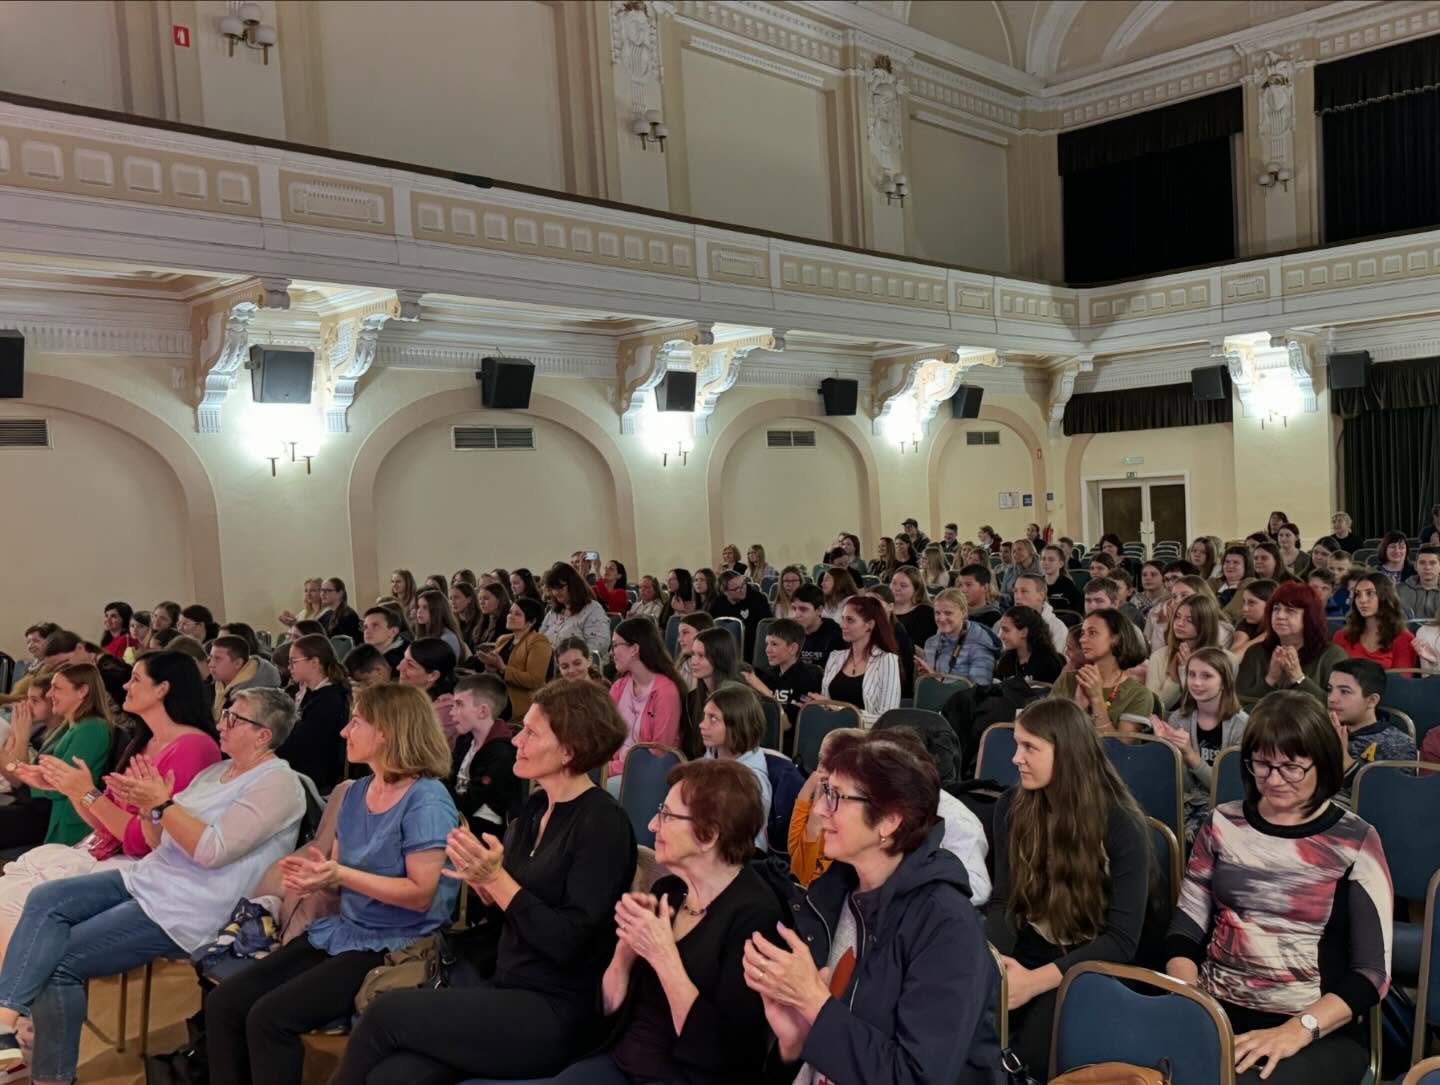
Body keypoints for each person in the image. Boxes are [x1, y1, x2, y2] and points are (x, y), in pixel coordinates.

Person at [329, 679, 635, 1085]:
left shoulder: (603, 824)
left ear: (568, 750)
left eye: (531, 733)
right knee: (394, 1075)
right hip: (504, 985)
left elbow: (567, 943)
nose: (517, 741)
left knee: (385, 1014)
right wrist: (484, 886)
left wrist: (497, 881)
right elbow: (513, 913)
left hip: (555, 1008)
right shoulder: (536, 808)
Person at [0, 687, 305, 1083]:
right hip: (150, 878)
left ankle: (52, 1078)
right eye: (225, 713)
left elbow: (212, 851)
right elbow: (158, 841)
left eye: (234, 718)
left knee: (59, 963)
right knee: (46, 898)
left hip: (190, 906)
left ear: (263, 735)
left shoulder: (278, 784)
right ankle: (5, 1021)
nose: (222, 723)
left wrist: (162, 804)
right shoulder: (215, 773)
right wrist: (149, 809)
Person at [206, 684, 459, 1085]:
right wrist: (316, 878)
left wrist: (338, 876)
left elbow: (420, 896)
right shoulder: (356, 792)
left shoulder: (427, 800)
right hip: (346, 930)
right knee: (224, 1003)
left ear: (387, 732)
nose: (344, 731)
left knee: (269, 1018)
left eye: (356, 722)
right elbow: (338, 875)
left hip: (395, 943)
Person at [745, 730, 1002, 1085]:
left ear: (889, 820)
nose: (818, 809)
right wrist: (792, 1046)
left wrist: (813, 1002)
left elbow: (916, 1078)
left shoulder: (946, 925)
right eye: (824, 791)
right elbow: (821, 1050)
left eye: (836, 797)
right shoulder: (831, 895)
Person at [1164, 692, 1392, 1085]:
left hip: (1313, 1024)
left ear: (1322, 761)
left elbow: (1372, 974)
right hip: (1215, 1008)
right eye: (1262, 765)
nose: (1273, 780)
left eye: (1291, 767)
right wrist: (1189, 999)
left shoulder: (1355, 839)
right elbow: (1185, 930)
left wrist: (1296, 1030)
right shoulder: (1222, 823)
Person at [553, 759, 780, 1084]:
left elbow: (726, 1053)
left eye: (667, 815)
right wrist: (624, 954)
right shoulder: (668, 892)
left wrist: (663, 957)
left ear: (708, 835)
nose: (651, 825)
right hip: (618, 1063)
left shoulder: (755, 916)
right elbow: (605, 1012)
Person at [0, 656, 219, 954]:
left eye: (136, 679)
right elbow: (104, 824)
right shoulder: (145, 741)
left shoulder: (194, 747)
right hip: (107, 851)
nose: (126, 685)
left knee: (18, 906)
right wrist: (71, 789)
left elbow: (143, 840)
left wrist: (87, 793)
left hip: (143, 870)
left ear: (162, 689)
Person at [986, 698, 1151, 1075]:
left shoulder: (1122, 824)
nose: (1015, 758)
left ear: (1066, 753)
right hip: (1030, 946)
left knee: (1030, 1052)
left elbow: (1121, 941)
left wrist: (1033, 983)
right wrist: (992, 963)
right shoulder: (1011, 805)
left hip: (1089, 961)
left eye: (1030, 747)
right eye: (1017, 744)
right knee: (970, 1025)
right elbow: (1005, 901)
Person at [0, 663, 112, 852]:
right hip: (47, 808)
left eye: (57, 688)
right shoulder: (73, 726)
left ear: (82, 691)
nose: (51, 694)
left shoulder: (91, 729)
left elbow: (59, 785)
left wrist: (18, 752)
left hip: (64, 819)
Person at [1149, 647, 1249, 841]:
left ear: (1224, 681)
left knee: (1197, 835)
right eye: (1191, 674)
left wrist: (1189, 754)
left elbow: (1226, 790)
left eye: (1206, 676)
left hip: (1224, 807)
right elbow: (1183, 788)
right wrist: (1166, 748)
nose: (1196, 682)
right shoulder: (1178, 719)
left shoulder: (1241, 726)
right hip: (1184, 804)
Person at [1236, 581, 1348, 705]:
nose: (1280, 616)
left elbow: (1338, 705)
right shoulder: (1256, 652)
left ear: (1309, 617)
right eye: (1276, 609)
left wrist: (1299, 678)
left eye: (1290, 610)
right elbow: (1238, 702)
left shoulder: (1332, 655)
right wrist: (1270, 679)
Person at [1049, 610, 1152, 733]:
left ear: (1116, 639)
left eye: (1092, 633)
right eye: (1082, 633)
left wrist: (1096, 699)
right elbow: (1046, 730)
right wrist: (1079, 708)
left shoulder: (1139, 695)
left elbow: (1119, 745)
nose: (1082, 639)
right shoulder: (1068, 679)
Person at [1326, 660, 1416, 800]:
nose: (1331, 698)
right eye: (1329, 689)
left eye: (1344, 691)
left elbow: (1390, 801)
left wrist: (1343, 759)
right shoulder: (1319, 730)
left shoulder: (1397, 744)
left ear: (1372, 700)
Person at [607, 618, 685, 781]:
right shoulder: (619, 687)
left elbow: (659, 752)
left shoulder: (666, 692)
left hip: (646, 775)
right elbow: (604, 734)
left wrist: (610, 769)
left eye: (615, 645)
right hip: (614, 770)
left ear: (634, 649)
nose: (611, 652)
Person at [447, 674, 523, 835]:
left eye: (459, 704)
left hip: (485, 835)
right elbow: (449, 777)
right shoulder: (465, 740)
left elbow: (471, 804)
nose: (452, 712)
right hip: (458, 820)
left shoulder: (502, 754)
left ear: (483, 711)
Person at [698, 686, 771, 847]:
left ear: (737, 724)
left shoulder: (752, 781)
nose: (702, 725)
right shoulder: (707, 760)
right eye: (705, 716)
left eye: (713, 718)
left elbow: (738, 843)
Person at [814, 595, 901, 725]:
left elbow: (888, 719)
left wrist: (838, 709)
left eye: (850, 620)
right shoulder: (835, 657)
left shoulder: (887, 660)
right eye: (842, 619)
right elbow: (826, 705)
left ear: (869, 625)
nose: (842, 625)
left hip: (868, 736)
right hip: (833, 732)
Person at [283, 633, 352, 792]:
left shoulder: (330, 700)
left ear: (314, 662)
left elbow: (302, 746)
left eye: (293, 661)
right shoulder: (299, 691)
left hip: (315, 780)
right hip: (297, 769)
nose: (289, 667)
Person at [1144, 593, 1230, 712]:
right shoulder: (1160, 656)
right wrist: (1174, 681)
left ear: (1205, 624)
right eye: (1177, 617)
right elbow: (1152, 707)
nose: (1179, 623)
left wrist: (1184, 671)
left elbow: (1207, 707)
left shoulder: (1223, 658)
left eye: (1189, 620)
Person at [473, 597, 553, 720]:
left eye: (517, 614)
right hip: (497, 691)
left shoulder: (539, 642)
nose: (510, 616)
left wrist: (503, 668)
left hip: (519, 700)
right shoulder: (503, 639)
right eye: (510, 612)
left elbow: (535, 680)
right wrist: (490, 665)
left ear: (531, 621)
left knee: (475, 706)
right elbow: (496, 670)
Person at [742, 617, 822, 728]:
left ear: (793, 648)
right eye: (767, 644)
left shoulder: (809, 677)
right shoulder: (765, 674)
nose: (767, 650)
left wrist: (765, 691)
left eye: (774, 644)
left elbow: (786, 725)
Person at [1333, 572, 1419, 669]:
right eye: (1358, 594)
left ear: (1385, 597)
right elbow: (1334, 674)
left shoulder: (1404, 639)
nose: (1362, 600)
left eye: (1369, 593)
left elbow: (1402, 678)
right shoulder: (1342, 636)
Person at [916, 587, 1001, 686]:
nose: (941, 619)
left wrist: (935, 678)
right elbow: (928, 685)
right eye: (937, 613)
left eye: (948, 613)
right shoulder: (931, 643)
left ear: (964, 613)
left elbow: (980, 689)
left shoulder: (979, 642)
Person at [682, 629, 742, 759]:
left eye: (701, 656)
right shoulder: (691, 699)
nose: (694, 661)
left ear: (719, 658)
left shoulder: (739, 699)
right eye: (693, 654)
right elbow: (688, 748)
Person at [541, 562, 611, 656]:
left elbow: (599, 646)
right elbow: (540, 639)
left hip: (581, 663)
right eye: (553, 588)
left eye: (560, 587)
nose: (556, 592)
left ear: (573, 585)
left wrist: (567, 658)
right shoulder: (553, 612)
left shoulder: (593, 609)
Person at [208, 635, 282, 719]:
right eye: (211, 658)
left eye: (218, 659)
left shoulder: (257, 698)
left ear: (238, 663)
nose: (210, 664)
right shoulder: (213, 683)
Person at [707, 570, 771, 661]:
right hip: (725, 649)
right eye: (736, 589)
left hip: (752, 648)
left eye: (743, 585)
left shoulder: (758, 599)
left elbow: (766, 627)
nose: (742, 590)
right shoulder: (717, 603)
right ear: (725, 592)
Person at [993, 605, 1066, 684]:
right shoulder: (1006, 660)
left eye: (1006, 630)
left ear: (1024, 632)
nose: (1001, 636)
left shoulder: (1050, 664)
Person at [788, 585, 843, 668]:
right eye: (794, 609)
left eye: (803, 609)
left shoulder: (836, 635)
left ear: (819, 610)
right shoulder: (790, 633)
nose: (796, 615)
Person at [1012, 574, 1068, 655]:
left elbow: (1054, 661)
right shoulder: (1007, 624)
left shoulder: (1057, 628)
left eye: (1024, 591)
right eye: (1015, 591)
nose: (1017, 596)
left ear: (1041, 595)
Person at [414, 589, 469, 663]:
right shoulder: (422, 633)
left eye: (425, 607)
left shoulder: (448, 638)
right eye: (418, 606)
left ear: (437, 610)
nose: (419, 611)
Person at [1230, 578, 1278, 656]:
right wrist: (1265, 635)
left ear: (1270, 604)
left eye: (1251, 602)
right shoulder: (1247, 622)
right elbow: (1233, 656)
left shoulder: (1282, 631)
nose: (1244, 608)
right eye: (1244, 602)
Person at [889, 565, 936, 646]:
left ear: (916, 590)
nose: (896, 588)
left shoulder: (926, 613)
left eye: (903, 585)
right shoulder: (883, 608)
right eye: (894, 583)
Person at [674, 613, 715, 691]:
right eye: (679, 634)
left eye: (685, 633)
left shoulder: (710, 669)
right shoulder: (682, 665)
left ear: (702, 633)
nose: (679, 639)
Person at [1039, 544, 1083, 614]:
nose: (1046, 563)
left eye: (1051, 560)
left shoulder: (1069, 586)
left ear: (1061, 564)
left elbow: (1076, 614)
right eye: (1043, 559)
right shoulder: (1035, 584)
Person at [1400, 544, 1440, 620]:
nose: (1427, 567)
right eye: (1422, 562)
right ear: (1415, 566)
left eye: (1432, 563)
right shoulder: (1399, 590)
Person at [1213, 545, 1255, 611]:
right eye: (1227, 562)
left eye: (1236, 562)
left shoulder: (1252, 586)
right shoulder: (1212, 583)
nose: (1230, 566)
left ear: (1246, 566)